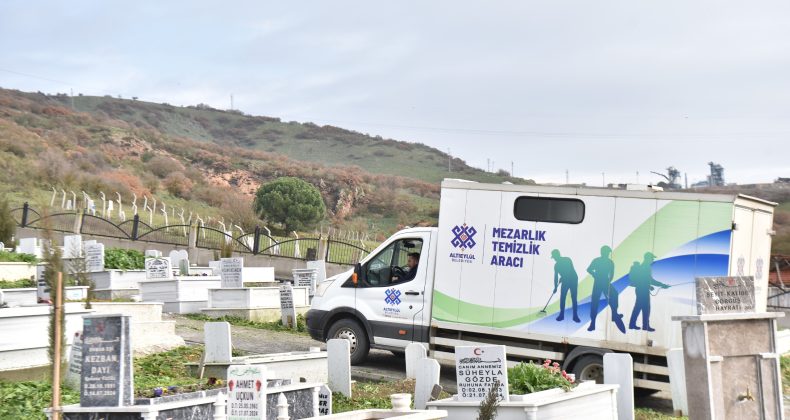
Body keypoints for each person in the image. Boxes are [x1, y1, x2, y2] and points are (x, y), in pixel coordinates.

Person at [586, 246, 625, 332]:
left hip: (603, 282)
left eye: (608, 252)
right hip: (600, 283)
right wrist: (595, 275)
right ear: (603, 252)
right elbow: (589, 269)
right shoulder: (603, 261)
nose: (607, 254)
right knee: (595, 302)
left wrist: (599, 277)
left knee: (612, 296)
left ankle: (614, 315)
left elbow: (611, 274)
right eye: (607, 252)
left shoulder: (607, 262)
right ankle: (593, 323)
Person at [628, 252, 669, 332]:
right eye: (651, 258)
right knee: (645, 308)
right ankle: (643, 325)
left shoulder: (644, 267)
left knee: (640, 307)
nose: (652, 260)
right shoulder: (646, 268)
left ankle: (635, 324)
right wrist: (661, 285)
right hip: (642, 290)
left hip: (641, 289)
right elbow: (650, 280)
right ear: (647, 258)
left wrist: (651, 286)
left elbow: (646, 280)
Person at [551, 249, 580, 322]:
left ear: (557, 255)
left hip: (573, 279)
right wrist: (555, 287)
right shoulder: (556, 266)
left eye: (554, 257)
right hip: (565, 281)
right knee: (562, 297)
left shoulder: (567, 260)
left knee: (574, 297)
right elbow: (556, 277)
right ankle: (561, 315)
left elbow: (569, 271)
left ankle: (575, 316)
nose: (554, 259)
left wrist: (563, 277)